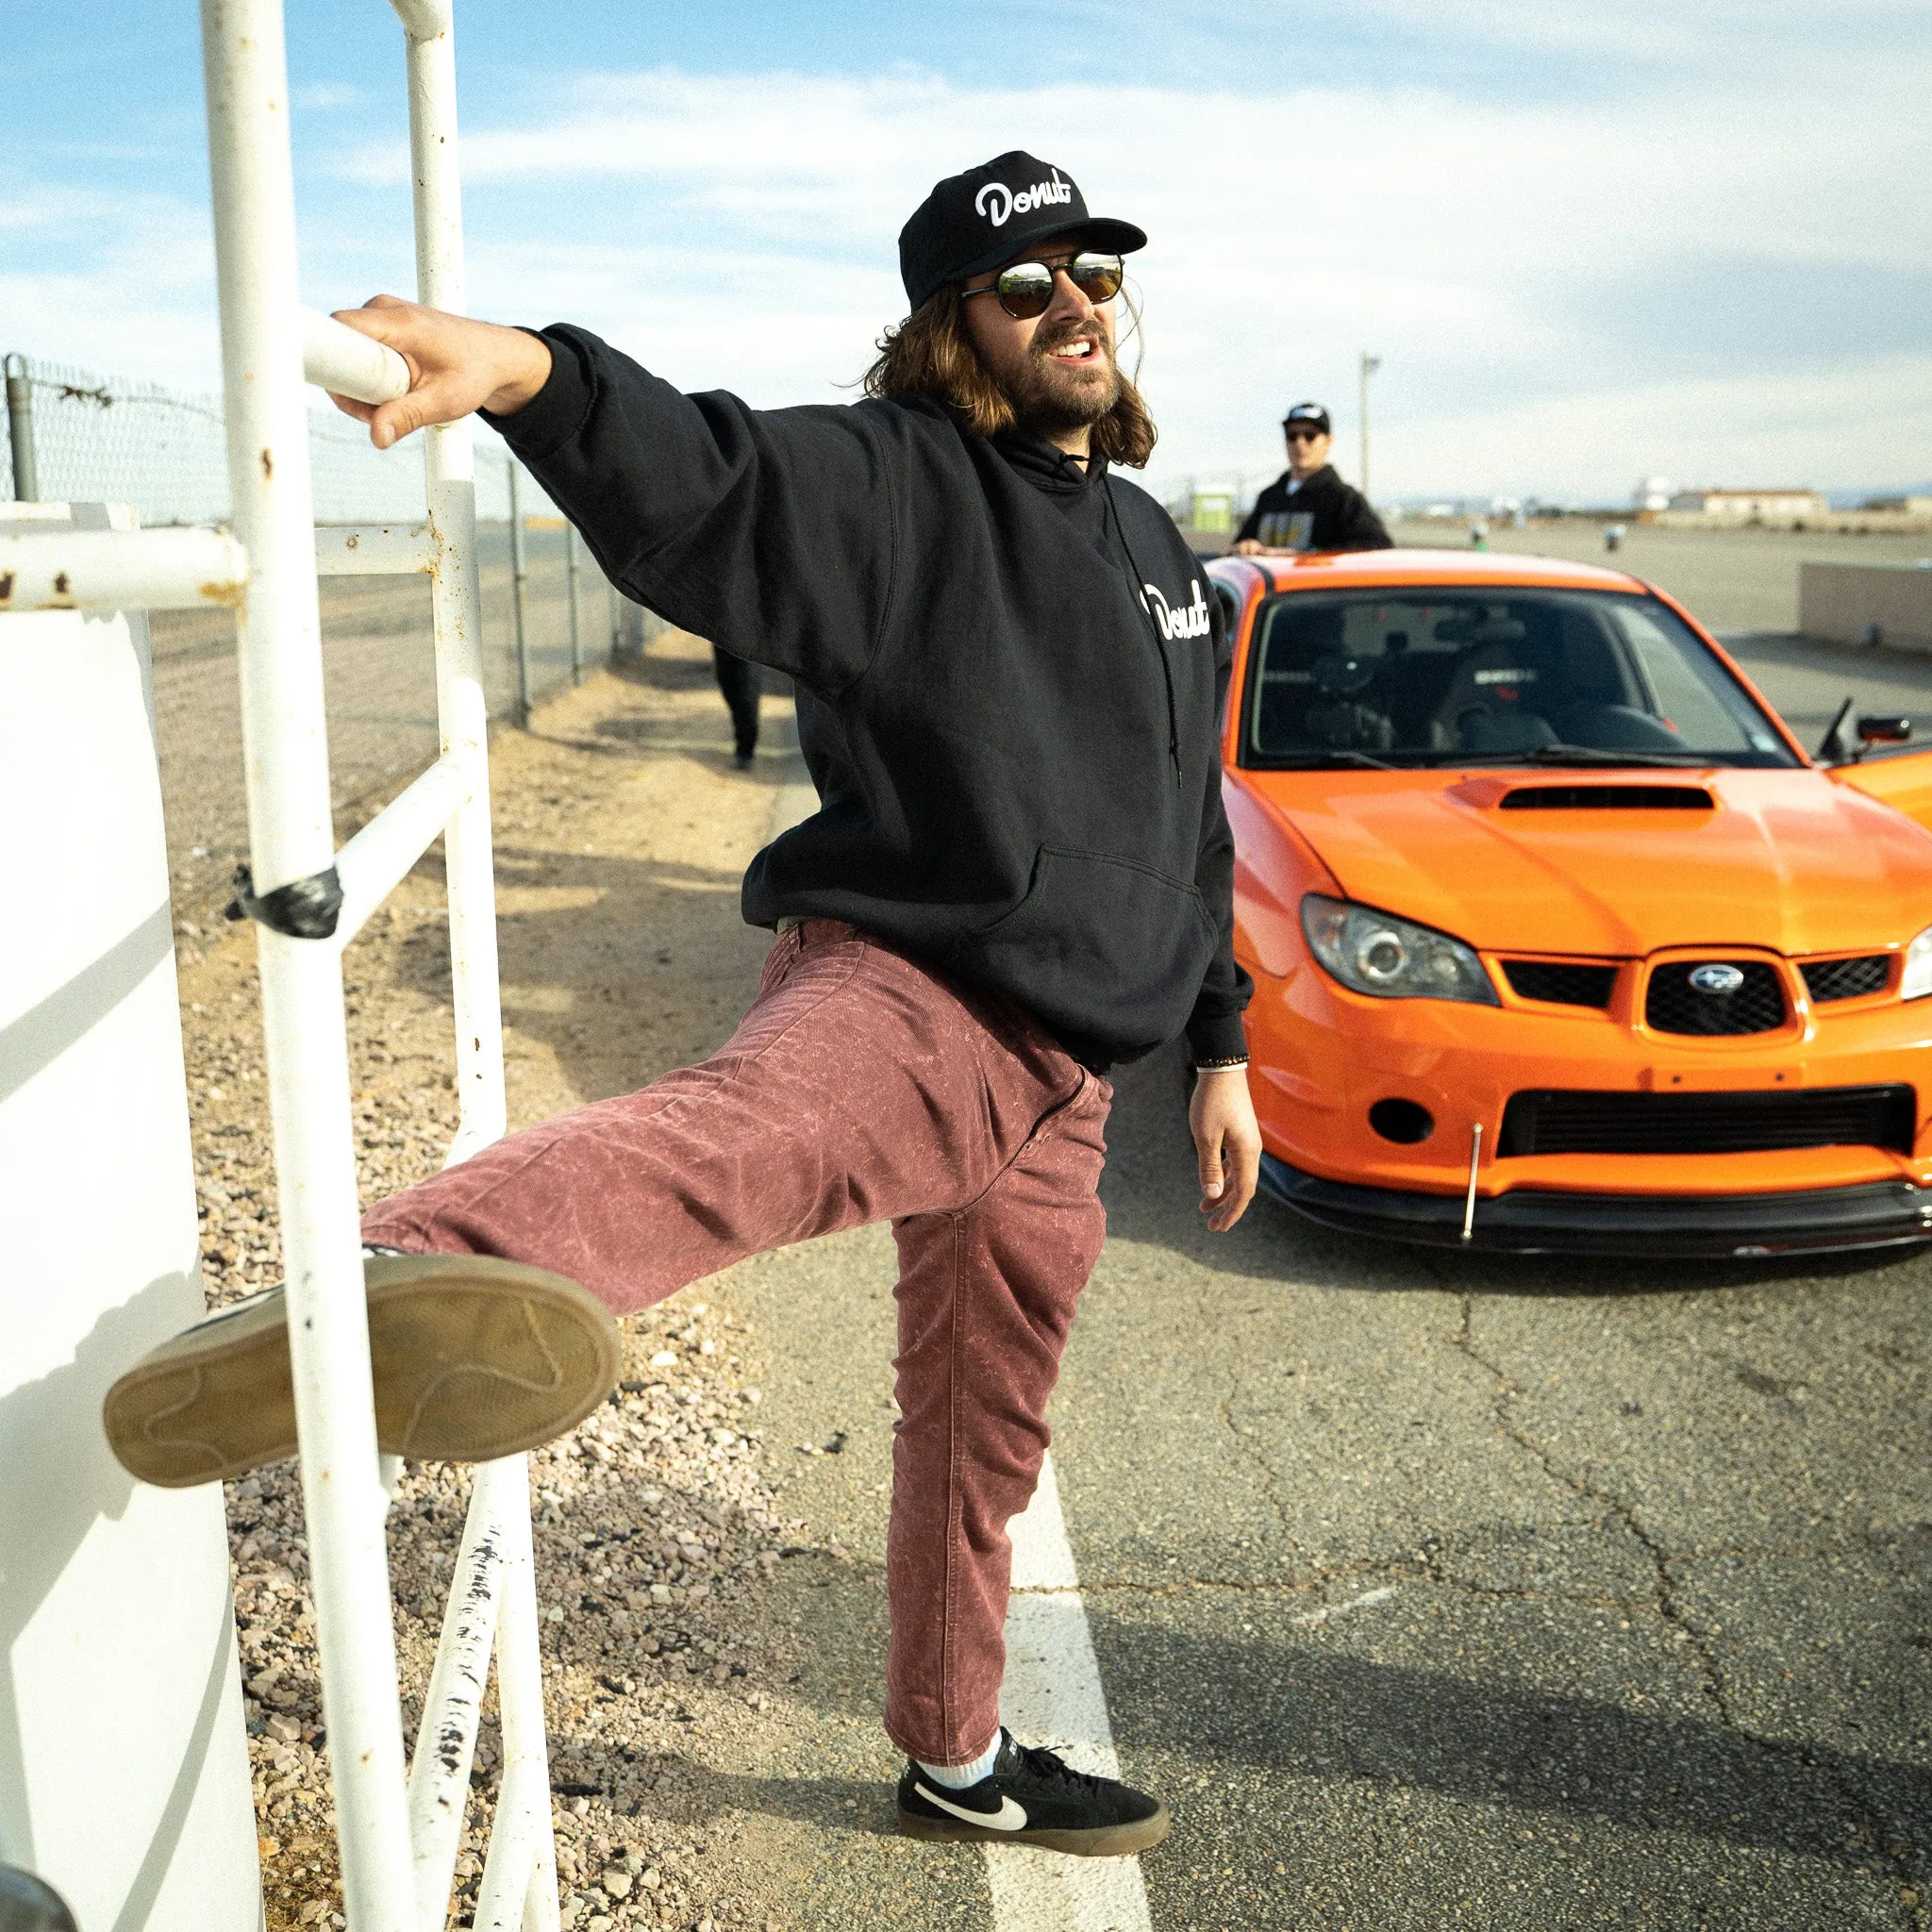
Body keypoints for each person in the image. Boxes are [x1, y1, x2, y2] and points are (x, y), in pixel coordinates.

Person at [102, 150, 1260, 1859]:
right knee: (741, 1144)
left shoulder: (1161, 545)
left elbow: (1188, 814)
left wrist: (1219, 1041)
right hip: (920, 992)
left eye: (1090, 272)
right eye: (1025, 286)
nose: (1070, 300)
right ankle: (370, 1291)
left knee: (980, 1433)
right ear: (956, 329)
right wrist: (529, 373)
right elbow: (718, 477)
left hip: (1067, 1078)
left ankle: (955, 1753)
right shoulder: (906, 481)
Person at [1232, 402, 1390, 554]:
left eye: (1310, 436)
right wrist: (1245, 546)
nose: (1300, 443)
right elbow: (1238, 547)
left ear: (1328, 442)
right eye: (1292, 436)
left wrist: (1308, 556)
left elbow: (1377, 547)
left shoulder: (1344, 499)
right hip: (1270, 582)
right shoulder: (1268, 498)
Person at [712, 644, 762, 768]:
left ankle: (745, 750)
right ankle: (742, 734)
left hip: (750, 642)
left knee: (748, 696)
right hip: (722, 641)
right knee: (729, 689)